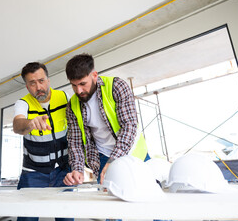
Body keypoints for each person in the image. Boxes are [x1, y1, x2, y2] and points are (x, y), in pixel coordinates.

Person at [63, 53, 149, 186]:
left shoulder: (117, 87)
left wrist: (114, 161)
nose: (79, 90)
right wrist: (77, 170)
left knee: (144, 191)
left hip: (132, 153)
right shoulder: (72, 105)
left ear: (95, 75)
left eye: (82, 84)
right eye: (74, 85)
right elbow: (75, 142)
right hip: (101, 159)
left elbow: (129, 125)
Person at [13, 62, 73, 221]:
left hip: (62, 170)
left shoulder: (64, 97)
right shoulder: (23, 103)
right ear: (27, 87)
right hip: (33, 173)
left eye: (41, 81)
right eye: (32, 83)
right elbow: (17, 126)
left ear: (48, 80)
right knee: (27, 217)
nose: (38, 87)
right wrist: (30, 123)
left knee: (66, 216)